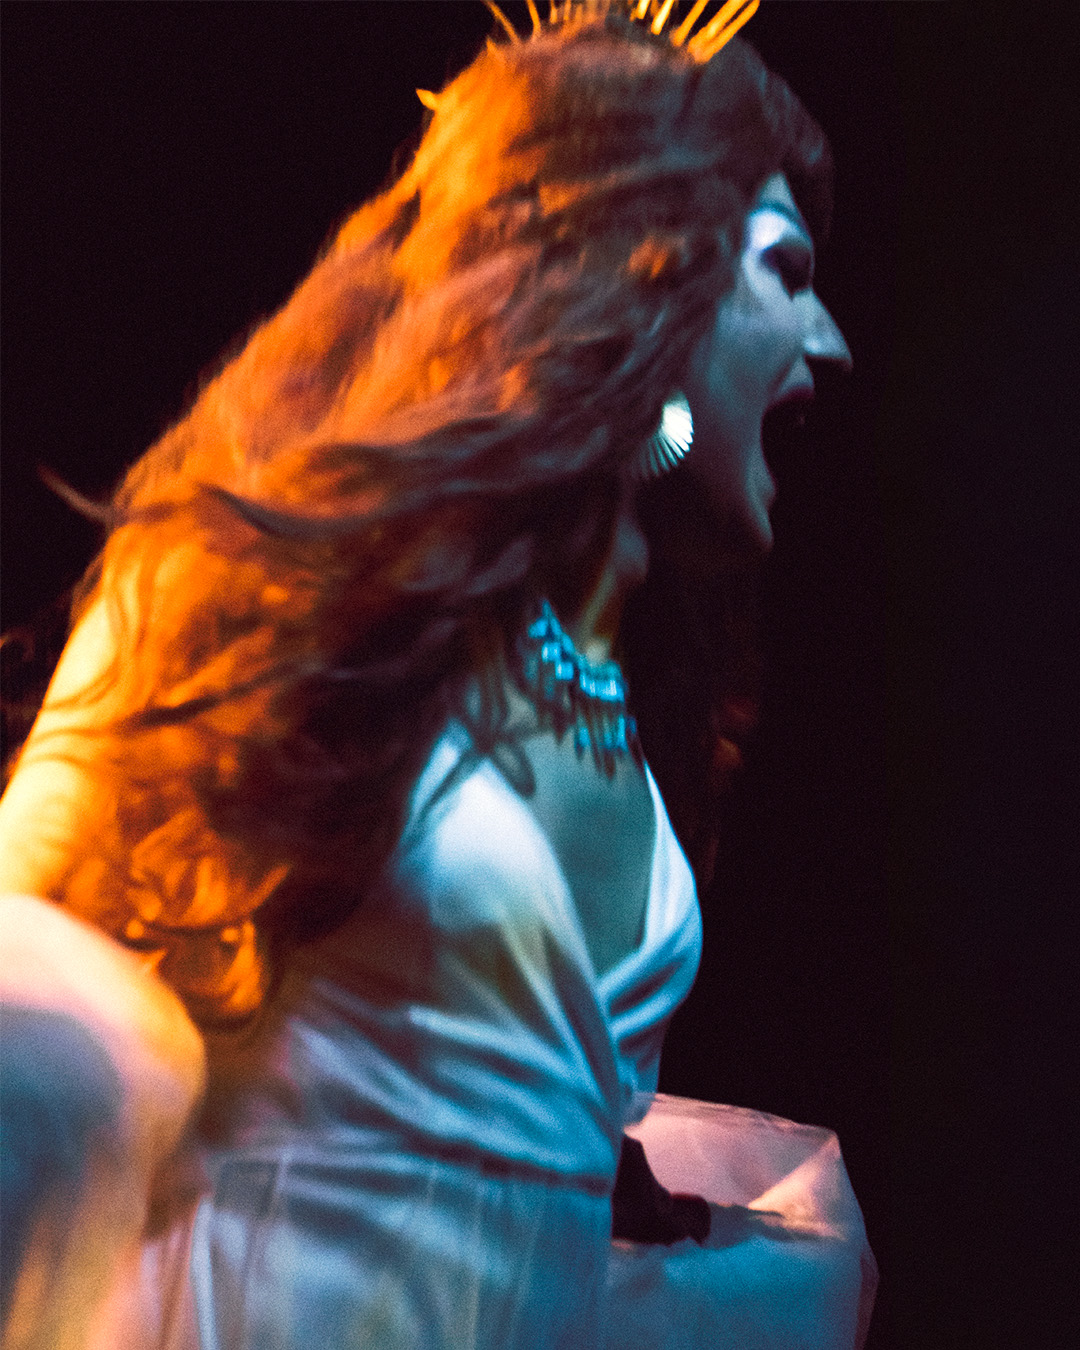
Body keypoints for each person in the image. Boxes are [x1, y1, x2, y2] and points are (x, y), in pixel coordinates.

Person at [0, 4, 874, 1346]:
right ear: (644, 265)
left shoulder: (628, 706)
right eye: (786, 269)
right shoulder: (271, 587)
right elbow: (25, 995)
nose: (830, 341)